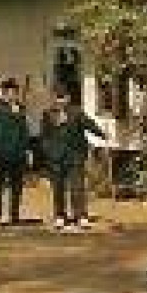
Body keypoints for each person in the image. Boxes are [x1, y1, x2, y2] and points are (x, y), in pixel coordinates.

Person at [39, 89, 106, 229]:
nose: (60, 101)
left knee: (77, 187)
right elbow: (44, 136)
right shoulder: (48, 114)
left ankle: (80, 216)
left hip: (75, 155)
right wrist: (49, 152)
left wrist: (102, 134)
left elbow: (89, 124)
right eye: (57, 98)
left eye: (62, 97)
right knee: (58, 188)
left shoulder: (77, 112)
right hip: (56, 158)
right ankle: (60, 216)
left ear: (68, 98)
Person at [0, 77, 31, 226]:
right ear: (3, 92)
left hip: (18, 154)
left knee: (17, 187)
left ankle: (14, 215)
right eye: (10, 92)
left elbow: (24, 131)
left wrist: (28, 150)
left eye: (15, 92)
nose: (13, 95)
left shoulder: (20, 108)